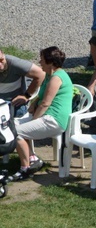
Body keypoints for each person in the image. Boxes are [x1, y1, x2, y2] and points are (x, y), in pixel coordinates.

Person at [9, 47, 72, 181]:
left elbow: (45, 103)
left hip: (54, 120)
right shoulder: (49, 75)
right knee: (10, 127)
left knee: (16, 133)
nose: (40, 62)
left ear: (50, 62)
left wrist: (33, 119)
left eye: (42, 60)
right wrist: (31, 107)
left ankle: (25, 168)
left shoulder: (57, 78)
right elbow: (40, 96)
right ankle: (33, 158)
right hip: (46, 115)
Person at [0, 49, 45, 118]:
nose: (0, 65)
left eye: (1, 60)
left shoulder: (15, 64)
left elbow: (40, 74)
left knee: (18, 113)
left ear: (3, 55)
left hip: (13, 102)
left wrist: (26, 96)